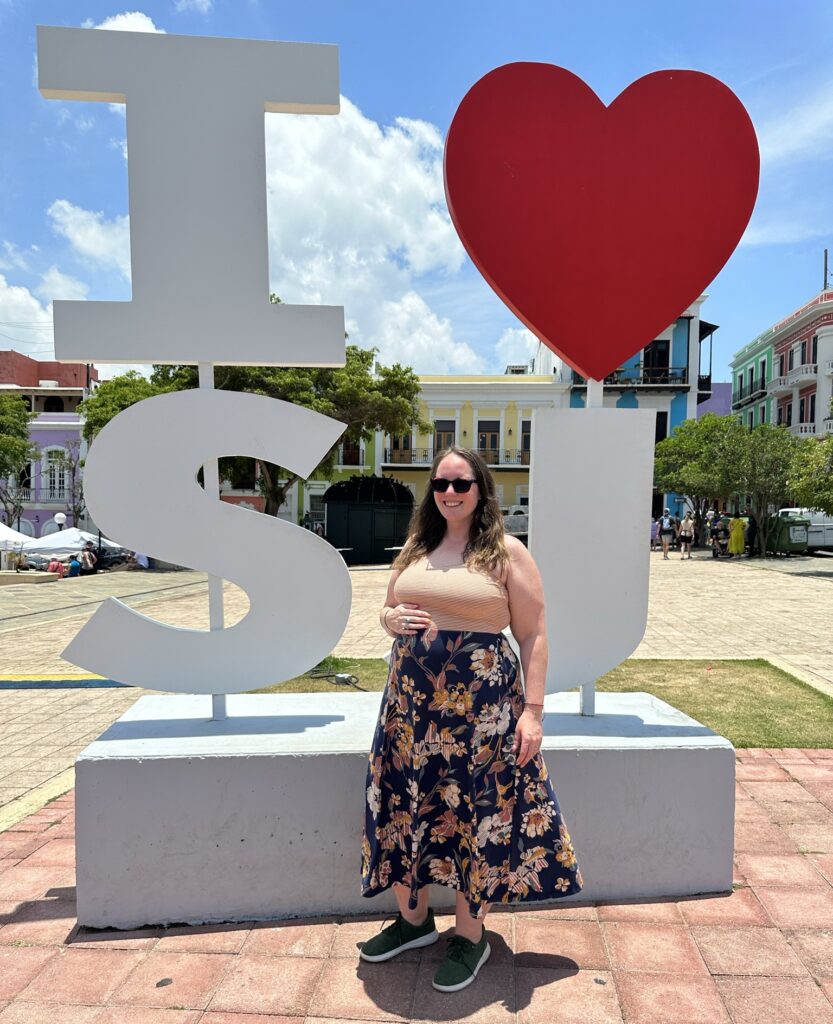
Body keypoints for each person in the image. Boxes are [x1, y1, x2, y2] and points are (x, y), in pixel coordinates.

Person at [360, 446, 583, 992]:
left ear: (481, 490)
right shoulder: (416, 547)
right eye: (441, 484)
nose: (450, 493)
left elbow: (533, 635)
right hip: (410, 711)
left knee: (472, 815)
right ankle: (412, 922)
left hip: (482, 717)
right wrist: (391, 618)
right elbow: (389, 608)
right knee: (405, 806)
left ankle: (470, 936)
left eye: (462, 484)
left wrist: (533, 713)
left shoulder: (505, 552)